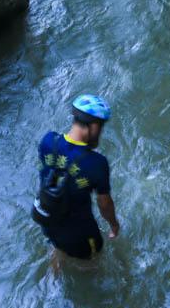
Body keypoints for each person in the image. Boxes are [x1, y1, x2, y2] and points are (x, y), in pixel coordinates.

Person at [32, 94, 121, 261]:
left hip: (48, 220)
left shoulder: (48, 140)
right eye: (101, 127)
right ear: (93, 126)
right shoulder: (96, 163)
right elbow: (104, 204)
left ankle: (55, 267)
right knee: (92, 263)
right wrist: (114, 225)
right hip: (80, 235)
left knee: (58, 245)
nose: (100, 132)